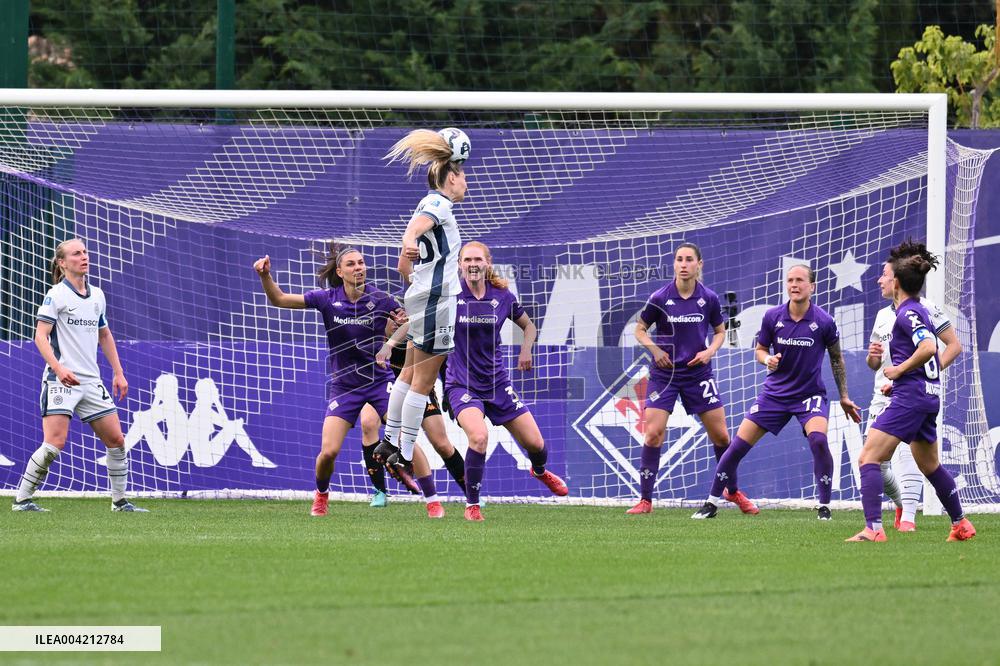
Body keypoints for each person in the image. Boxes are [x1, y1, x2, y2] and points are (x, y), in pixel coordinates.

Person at [254, 245, 445, 518]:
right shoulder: (326, 299)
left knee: (406, 437)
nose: (359, 267)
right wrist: (265, 277)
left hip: (380, 382)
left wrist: (393, 338)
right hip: (344, 386)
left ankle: (433, 501)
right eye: (352, 264)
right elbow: (281, 299)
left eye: (362, 262)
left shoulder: (381, 299)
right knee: (328, 452)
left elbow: (411, 321)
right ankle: (321, 495)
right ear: (340, 271)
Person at [692, 265, 862, 520]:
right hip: (775, 395)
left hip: (809, 395)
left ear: (812, 287)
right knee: (736, 446)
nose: (794, 285)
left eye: (800, 280)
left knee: (818, 440)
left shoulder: (824, 321)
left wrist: (845, 396)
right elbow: (759, 350)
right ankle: (712, 502)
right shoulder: (773, 316)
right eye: (790, 280)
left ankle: (824, 506)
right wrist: (767, 360)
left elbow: (837, 359)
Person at [847, 244, 976, 542]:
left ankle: (873, 530)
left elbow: (930, 347)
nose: (881, 280)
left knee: (868, 457)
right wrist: (902, 375)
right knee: (930, 465)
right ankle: (961, 523)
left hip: (912, 398)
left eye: (884, 275)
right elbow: (926, 350)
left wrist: (899, 371)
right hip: (925, 395)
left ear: (897, 282)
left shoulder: (907, 313)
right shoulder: (913, 312)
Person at [12, 238, 147, 512]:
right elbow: (40, 336)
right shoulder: (56, 295)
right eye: (76, 253)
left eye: (85, 252)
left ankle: (120, 502)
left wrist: (118, 372)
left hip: (91, 381)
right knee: (54, 444)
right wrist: (59, 369)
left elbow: (105, 334)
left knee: (117, 441)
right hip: (61, 380)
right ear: (62, 263)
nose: (84, 257)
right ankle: (22, 500)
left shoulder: (97, 295)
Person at [628, 242, 758, 516]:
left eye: (689, 259)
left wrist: (710, 351)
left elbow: (720, 332)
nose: (683, 264)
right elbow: (639, 330)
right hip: (665, 374)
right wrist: (655, 350)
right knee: (653, 434)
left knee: (721, 435)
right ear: (674, 264)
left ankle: (732, 491)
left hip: (698, 374)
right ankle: (645, 500)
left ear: (699, 264)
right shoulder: (660, 297)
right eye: (679, 259)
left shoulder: (708, 298)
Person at [443, 241, 568, 521]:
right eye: (467, 259)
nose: (472, 264)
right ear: (460, 265)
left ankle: (539, 472)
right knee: (478, 437)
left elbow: (529, 326)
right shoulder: (450, 296)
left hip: (498, 384)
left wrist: (526, 349)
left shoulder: (502, 296)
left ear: (488, 263)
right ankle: (472, 504)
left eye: (478, 259)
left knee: (536, 445)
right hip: (462, 385)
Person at [376, 129, 466, 483]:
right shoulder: (438, 203)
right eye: (464, 176)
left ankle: (388, 442)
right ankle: (404, 450)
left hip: (424, 296)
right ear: (453, 176)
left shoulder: (432, 203)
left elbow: (407, 258)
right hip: (436, 300)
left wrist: (408, 263)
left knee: (409, 374)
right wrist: (409, 242)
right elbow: (414, 230)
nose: (466, 183)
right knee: (423, 381)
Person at [376, 311, 466, 495]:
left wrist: (448, 391)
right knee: (369, 424)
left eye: (400, 318)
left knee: (442, 444)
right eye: (392, 318)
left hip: (421, 392)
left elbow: (442, 365)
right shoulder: (376, 341)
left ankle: (472, 494)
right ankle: (381, 492)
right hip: (386, 392)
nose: (396, 322)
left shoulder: (421, 334)